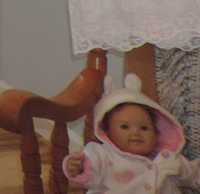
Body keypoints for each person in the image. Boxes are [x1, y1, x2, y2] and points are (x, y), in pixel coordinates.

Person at [64, 73, 200, 193]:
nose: (136, 132)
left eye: (144, 128)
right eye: (124, 126)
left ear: (157, 134)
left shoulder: (167, 159)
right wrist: (79, 166)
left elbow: (193, 175)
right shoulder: (104, 156)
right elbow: (91, 172)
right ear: (107, 132)